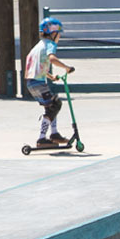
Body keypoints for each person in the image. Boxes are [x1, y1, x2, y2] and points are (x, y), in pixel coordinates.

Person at [22, 17, 77, 149]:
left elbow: (37, 63)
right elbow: (52, 58)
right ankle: (42, 138)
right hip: (38, 83)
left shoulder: (38, 45)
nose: (59, 37)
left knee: (51, 105)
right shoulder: (50, 44)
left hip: (31, 82)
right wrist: (66, 68)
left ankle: (54, 134)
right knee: (55, 105)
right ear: (53, 33)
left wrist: (50, 76)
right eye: (59, 34)